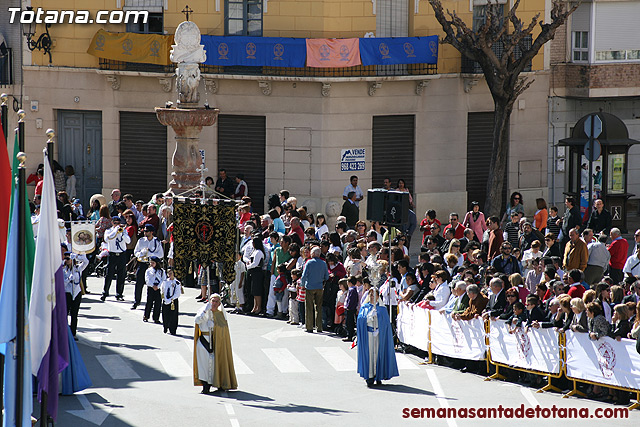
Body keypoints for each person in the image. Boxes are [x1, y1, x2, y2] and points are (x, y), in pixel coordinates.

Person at [194, 294, 238, 393]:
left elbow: (224, 329)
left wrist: (215, 328)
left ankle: (220, 383)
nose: (214, 303)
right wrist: (205, 310)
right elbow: (197, 320)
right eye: (212, 301)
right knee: (204, 365)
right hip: (204, 341)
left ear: (219, 303)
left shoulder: (220, 314)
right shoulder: (204, 311)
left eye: (216, 302)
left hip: (217, 342)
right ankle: (205, 386)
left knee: (216, 364)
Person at [356, 287, 399, 387]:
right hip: (368, 335)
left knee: (378, 354)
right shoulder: (365, 307)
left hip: (379, 335)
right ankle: (370, 376)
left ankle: (379, 375)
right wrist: (369, 318)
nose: (372, 297)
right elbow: (360, 320)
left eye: (374, 295)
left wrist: (378, 320)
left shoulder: (382, 309)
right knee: (370, 355)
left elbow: (386, 324)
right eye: (371, 294)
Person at [132, 224, 164, 309]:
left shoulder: (156, 242)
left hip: (152, 265)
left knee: (152, 285)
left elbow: (161, 254)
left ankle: (151, 303)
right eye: (144, 231)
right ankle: (136, 301)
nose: (145, 233)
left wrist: (150, 254)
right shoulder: (141, 240)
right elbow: (136, 251)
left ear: (151, 232)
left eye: (147, 231)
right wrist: (141, 254)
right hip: (142, 263)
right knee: (139, 283)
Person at [100, 216, 131, 301]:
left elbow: (128, 241)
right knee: (109, 274)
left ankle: (119, 294)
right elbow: (107, 239)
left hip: (121, 254)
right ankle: (105, 292)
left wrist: (121, 233)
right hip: (112, 254)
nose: (117, 224)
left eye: (118, 223)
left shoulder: (123, 231)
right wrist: (115, 231)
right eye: (115, 223)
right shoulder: (108, 231)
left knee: (121, 275)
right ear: (112, 223)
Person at [301, 246, 329, 333]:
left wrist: (302, 285)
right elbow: (326, 277)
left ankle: (309, 326)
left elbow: (304, 276)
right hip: (319, 287)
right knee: (319, 307)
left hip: (309, 287)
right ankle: (319, 327)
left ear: (312, 254)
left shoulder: (309, 263)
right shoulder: (323, 263)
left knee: (309, 307)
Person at [63, 251, 89, 338]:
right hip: (67, 293)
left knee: (74, 314)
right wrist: (68, 280)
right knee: (65, 313)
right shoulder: (64, 270)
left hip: (76, 293)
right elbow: (62, 284)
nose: (66, 260)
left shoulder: (78, 268)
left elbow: (86, 262)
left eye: (68, 258)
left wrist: (78, 257)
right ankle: (65, 332)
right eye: (65, 258)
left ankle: (73, 333)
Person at [244, 237, 266, 315]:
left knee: (257, 291)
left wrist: (248, 266)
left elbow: (255, 264)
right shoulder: (255, 251)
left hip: (257, 272)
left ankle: (258, 307)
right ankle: (254, 307)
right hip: (253, 272)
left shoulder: (259, 252)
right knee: (253, 290)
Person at [144, 257, 165, 324]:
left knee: (158, 303)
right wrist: (152, 285)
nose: (151, 264)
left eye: (153, 263)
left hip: (158, 288)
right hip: (151, 288)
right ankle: (146, 316)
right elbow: (147, 279)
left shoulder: (161, 271)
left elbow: (163, 280)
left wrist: (158, 286)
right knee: (149, 302)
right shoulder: (148, 270)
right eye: (151, 262)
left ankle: (156, 318)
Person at [161, 267, 181, 335]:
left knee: (173, 315)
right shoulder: (165, 282)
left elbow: (177, 293)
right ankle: (165, 326)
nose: (169, 275)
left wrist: (171, 299)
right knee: (165, 314)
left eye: (171, 273)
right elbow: (163, 290)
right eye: (168, 273)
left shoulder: (177, 283)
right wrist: (165, 298)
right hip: (166, 300)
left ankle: (172, 329)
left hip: (173, 301)